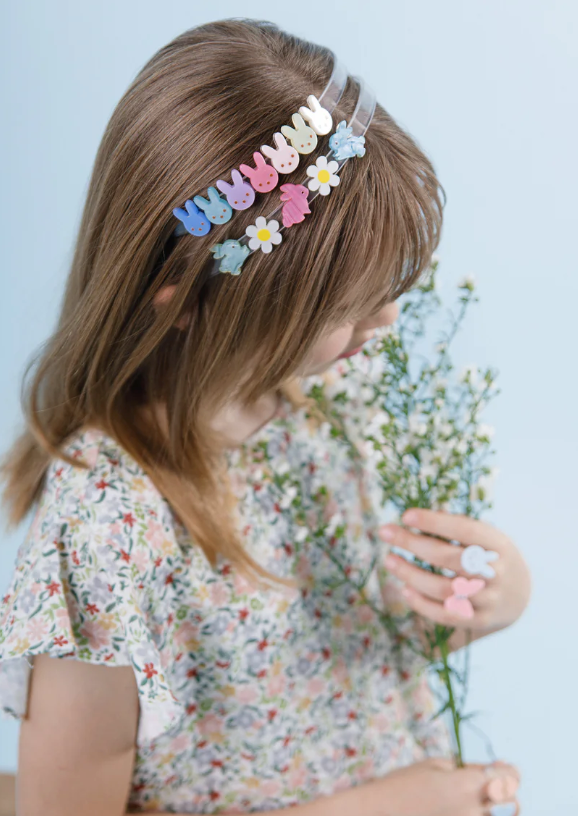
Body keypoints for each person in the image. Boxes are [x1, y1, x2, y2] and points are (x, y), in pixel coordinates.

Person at [0, 18, 530, 816]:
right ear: (187, 303)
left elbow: (323, 658)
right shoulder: (107, 535)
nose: (385, 323)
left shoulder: (324, 403)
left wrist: (487, 604)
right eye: (347, 309)